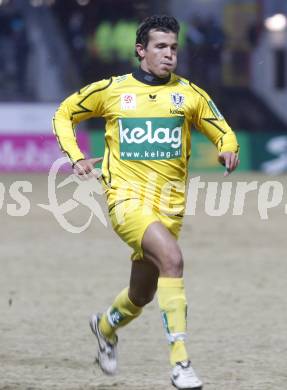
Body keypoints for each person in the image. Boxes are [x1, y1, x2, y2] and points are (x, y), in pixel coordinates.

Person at [53, 15, 239, 390]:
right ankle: (181, 363)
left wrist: (227, 149)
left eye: (173, 48)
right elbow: (65, 113)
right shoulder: (111, 90)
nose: (169, 55)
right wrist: (75, 155)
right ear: (141, 50)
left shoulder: (190, 95)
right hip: (126, 201)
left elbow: (223, 131)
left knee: (142, 294)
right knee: (173, 259)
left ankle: (104, 326)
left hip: (169, 208)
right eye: (160, 47)